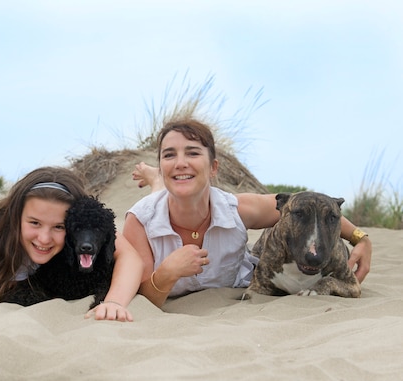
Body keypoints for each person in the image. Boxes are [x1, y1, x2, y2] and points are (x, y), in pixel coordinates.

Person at [123, 118, 373, 307]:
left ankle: (157, 178)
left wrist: (361, 238)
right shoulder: (139, 222)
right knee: (157, 198)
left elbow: (310, 207)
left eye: (192, 153)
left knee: (168, 189)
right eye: (169, 155)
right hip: (159, 204)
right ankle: (156, 178)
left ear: (213, 168)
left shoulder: (237, 209)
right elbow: (144, 297)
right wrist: (167, 273)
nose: (180, 162)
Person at [0, 166, 143, 322]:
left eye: (59, 226)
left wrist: (113, 302)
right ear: (16, 216)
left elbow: (129, 256)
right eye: (34, 223)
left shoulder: (81, 226)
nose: (44, 238)